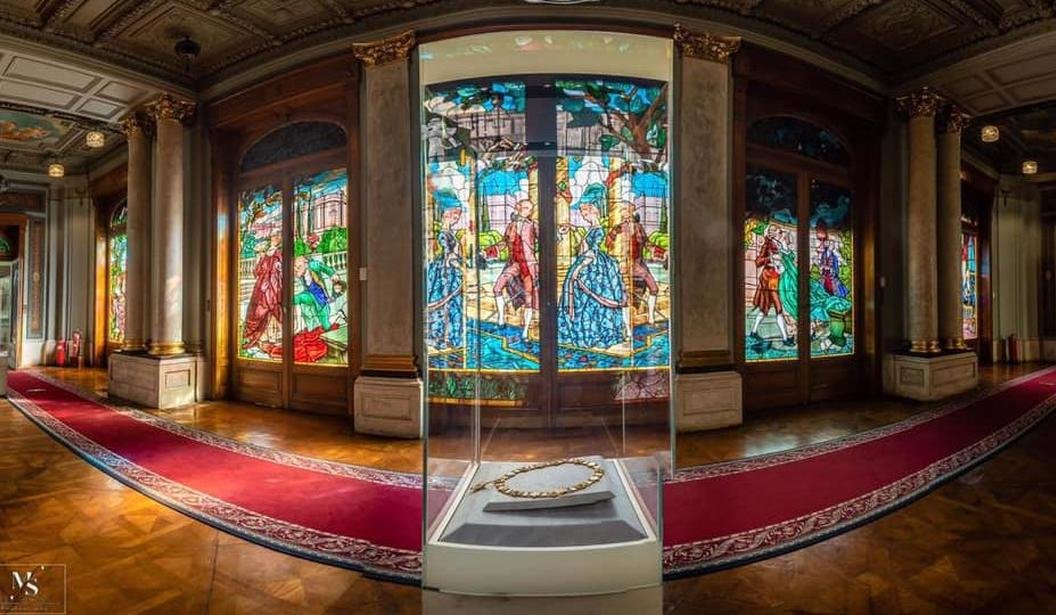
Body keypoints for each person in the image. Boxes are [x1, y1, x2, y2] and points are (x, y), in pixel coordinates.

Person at [558, 183, 627, 350]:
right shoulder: (592, 229)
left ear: (595, 209)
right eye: (582, 211)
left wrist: (578, 270)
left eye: (585, 210)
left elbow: (592, 253)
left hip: (593, 268)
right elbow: (585, 242)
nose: (583, 214)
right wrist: (572, 228)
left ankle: (593, 333)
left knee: (591, 302)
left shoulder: (599, 231)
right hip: (586, 263)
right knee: (582, 300)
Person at [607, 201, 660, 325]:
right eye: (621, 210)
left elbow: (647, 243)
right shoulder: (617, 228)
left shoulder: (639, 227)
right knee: (624, 297)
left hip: (639, 265)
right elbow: (609, 244)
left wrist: (660, 252)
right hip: (624, 265)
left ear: (631, 211)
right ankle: (626, 327)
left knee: (654, 288)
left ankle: (651, 317)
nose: (623, 212)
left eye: (625, 209)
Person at [492, 198, 538, 339]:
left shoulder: (532, 225)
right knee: (497, 288)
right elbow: (503, 243)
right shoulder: (511, 226)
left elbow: (547, 238)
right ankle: (501, 319)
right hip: (514, 264)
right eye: (525, 208)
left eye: (530, 209)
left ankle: (525, 332)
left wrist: (559, 232)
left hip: (528, 266)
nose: (528, 211)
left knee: (529, 299)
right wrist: (487, 252)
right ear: (518, 207)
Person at [426, 189, 465, 349]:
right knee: (445, 304)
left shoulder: (448, 233)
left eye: (457, 215)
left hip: (448, 273)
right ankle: (442, 337)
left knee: (452, 305)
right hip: (445, 274)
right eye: (454, 215)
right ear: (445, 214)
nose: (456, 218)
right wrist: (461, 266)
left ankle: (449, 337)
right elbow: (448, 257)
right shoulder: (443, 235)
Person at [750, 225, 793, 346]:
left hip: (777, 278)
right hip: (769, 280)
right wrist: (770, 258)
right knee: (778, 308)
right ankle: (785, 338)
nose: (774, 233)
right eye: (771, 231)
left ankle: (753, 332)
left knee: (765, 308)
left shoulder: (779, 244)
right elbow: (758, 262)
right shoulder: (767, 245)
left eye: (775, 231)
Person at [242, 232, 283, 357]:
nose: (274, 239)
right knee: (259, 311)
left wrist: (277, 268)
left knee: (272, 310)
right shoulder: (265, 256)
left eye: (276, 237)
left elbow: (281, 271)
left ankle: (275, 339)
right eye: (273, 237)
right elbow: (257, 272)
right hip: (262, 288)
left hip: (273, 288)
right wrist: (260, 259)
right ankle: (262, 338)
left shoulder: (279, 254)